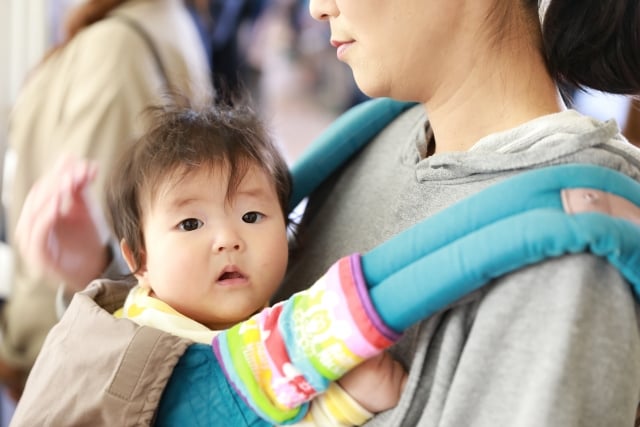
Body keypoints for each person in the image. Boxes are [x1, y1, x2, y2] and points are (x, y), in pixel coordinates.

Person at [9, 0, 640, 426]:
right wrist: (98, 269)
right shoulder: (372, 139)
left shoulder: (574, 251)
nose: (316, 8)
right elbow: (233, 341)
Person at [107, 101, 406, 426]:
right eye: (191, 224)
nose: (228, 239)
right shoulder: (150, 354)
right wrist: (347, 404)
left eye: (251, 216)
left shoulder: (270, 327)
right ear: (140, 260)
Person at [0, 0, 212, 401]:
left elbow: (72, 231)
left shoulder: (116, 46)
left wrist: (20, 352)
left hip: (65, 360)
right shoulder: (157, 20)